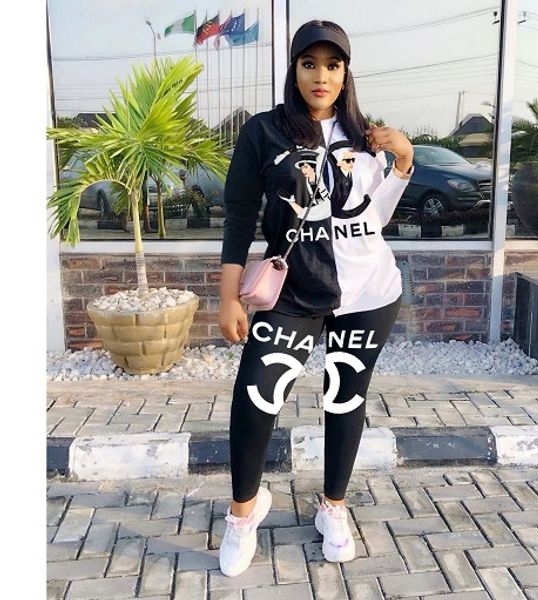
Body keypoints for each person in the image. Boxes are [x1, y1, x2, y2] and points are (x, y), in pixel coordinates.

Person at [217, 20, 414, 577]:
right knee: (256, 394)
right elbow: (239, 216)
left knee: (344, 398)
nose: (320, 75)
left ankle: (333, 507)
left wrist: (403, 161)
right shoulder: (264, 131)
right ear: (295, 70)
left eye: (332, 64)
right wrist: (228, 296)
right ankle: (243, 512)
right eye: (309, 64)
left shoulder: (366, 136)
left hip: (368, 292)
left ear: (346, 73)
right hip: (294, 290)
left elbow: (375, 217)